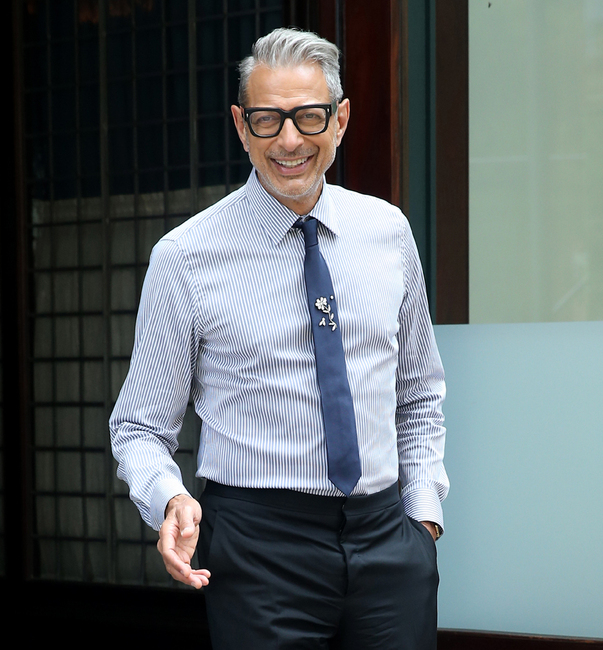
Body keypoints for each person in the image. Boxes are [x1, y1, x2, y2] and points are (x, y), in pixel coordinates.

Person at [110, 27, 448, 649]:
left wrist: (422, 518)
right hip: (259, 549)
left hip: (387, 543)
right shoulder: (185, 257)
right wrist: (170, 500)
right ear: (241, 126)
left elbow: (419, 393)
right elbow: (137, 426)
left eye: (309, 117)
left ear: (341, 119)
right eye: (267, 120)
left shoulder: (388, 233)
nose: (289, 140)